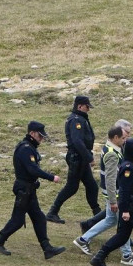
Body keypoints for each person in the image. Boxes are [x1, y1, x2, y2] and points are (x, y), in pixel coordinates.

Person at [0, 121, 66, 259]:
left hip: (29, 189)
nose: (41, 139)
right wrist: (51, 177)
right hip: (24, 189)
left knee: (39, 218)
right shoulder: (25, 149)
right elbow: (32, 169)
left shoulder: (29, 147)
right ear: (32, 133)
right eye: (40, 136)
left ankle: (47, 248)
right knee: (17, 220)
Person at [74, 125, 133, 266]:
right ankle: (127, 255)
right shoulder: (112, 153)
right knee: (124, 224)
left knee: (110, 220)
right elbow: (110, 179)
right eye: (123, 138)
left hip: (111, 194)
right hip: (115, 195)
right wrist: (113, 201)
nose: (125, 140)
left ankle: (83, 239)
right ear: (115, 138)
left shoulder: (109, 148)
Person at [47, 96, 99, 224]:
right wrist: (89, 157)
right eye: (87, 107)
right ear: (80, 106)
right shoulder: (76, 121)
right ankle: (52, 212)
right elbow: (77, 141)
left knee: (92, 186)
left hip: (80, 158)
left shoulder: (80, 119)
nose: (89, 110)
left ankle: (97, 214)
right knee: (71, 187)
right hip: (77, 158)